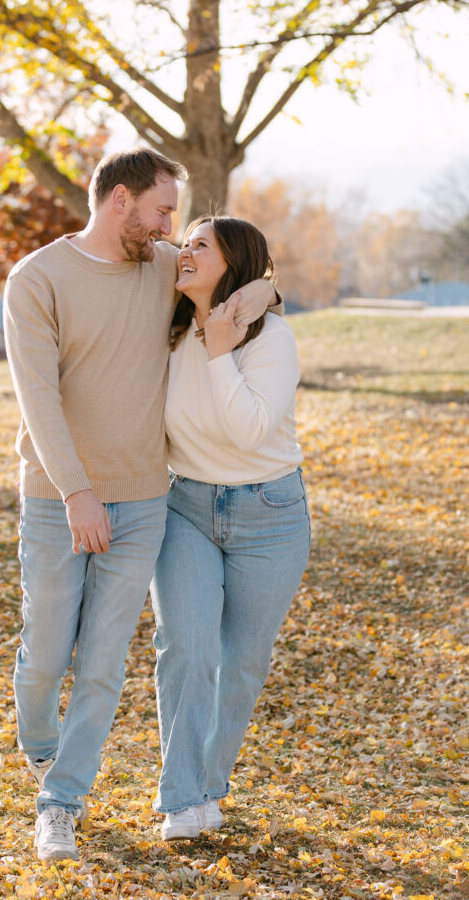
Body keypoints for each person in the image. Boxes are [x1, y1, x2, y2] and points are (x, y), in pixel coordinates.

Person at [2, 150, 281, 863]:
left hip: (145, 501)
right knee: (46, 656)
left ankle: (59, 803)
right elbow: (37, 401)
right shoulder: (37, 279)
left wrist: (264, 297)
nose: (169, 229)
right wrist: (76, 493)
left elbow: (242, 282)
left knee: (100, 664)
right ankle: (38, 743)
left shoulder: (162, 267)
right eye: (161, 211)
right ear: (120, 200)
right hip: (57, 499)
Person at [150, 215, 310, 841]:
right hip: (185, 507)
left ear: (232, 262)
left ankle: (208, 786)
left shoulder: (270, 340)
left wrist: (222, 347)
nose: (184, 250)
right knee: (184, 649)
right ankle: (182, 799)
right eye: (182, 241)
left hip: (269, 516)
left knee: (240, 663)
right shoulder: (164, 324)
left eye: (200, 245)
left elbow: (250, 431)